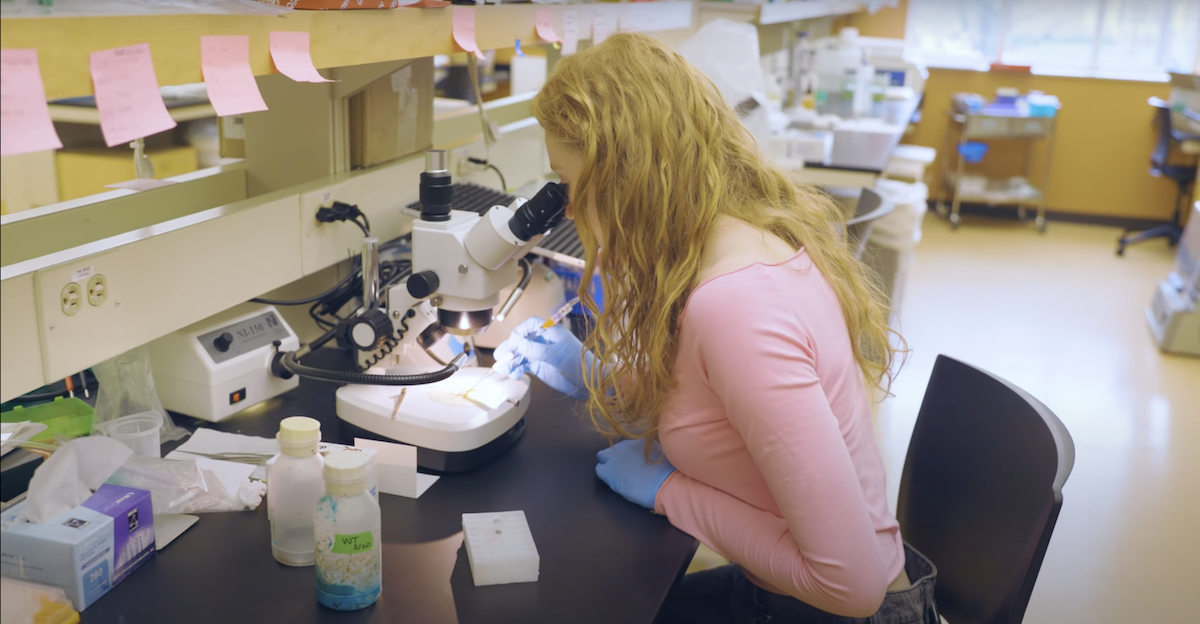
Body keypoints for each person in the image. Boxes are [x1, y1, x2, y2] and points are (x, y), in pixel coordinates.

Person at [492, 33, 939, 624]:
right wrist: (600, 377)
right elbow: (719, 417)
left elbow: (848, 584)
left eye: (570, 185)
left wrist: (670, 494)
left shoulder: (735, 304)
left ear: (626, 180)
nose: (568, 210)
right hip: (782, 589)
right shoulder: (737, 241)